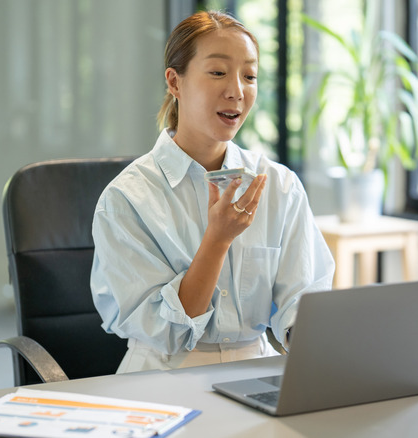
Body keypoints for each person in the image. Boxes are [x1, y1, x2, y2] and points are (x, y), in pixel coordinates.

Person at [90, 10, 334, 373]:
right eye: (218, 72)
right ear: (175, 82)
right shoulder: (126, 199)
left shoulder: (280, 185)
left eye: (249, 75)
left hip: (255, 368)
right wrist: (218, 240)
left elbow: (303, 301)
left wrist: (317, 348)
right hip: (163, 373)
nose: (236, 90)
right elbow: (168, 332)